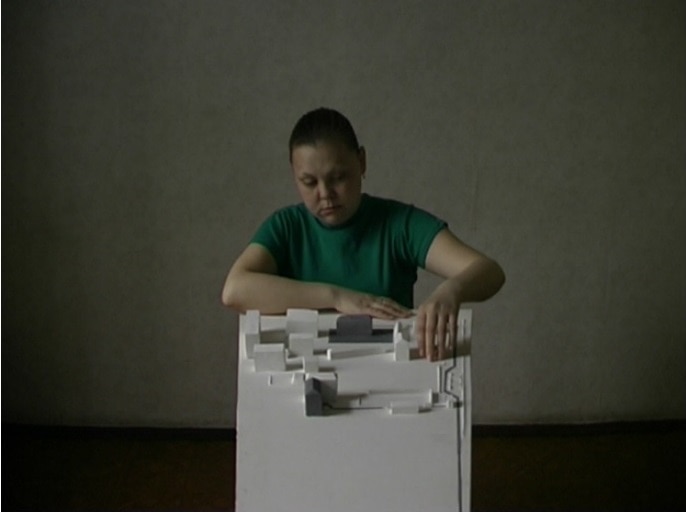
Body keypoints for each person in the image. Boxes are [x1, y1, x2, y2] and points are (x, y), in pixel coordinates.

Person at [222, 107, 505, 361]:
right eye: (309, 182)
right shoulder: (286, 227)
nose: (325, 194)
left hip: (391, 373)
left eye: (338, 178)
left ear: (362, 162)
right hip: (302, 373)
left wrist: (451, 291)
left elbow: (489, 271)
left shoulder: (399, 224)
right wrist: (337, 297)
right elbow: (235, 290)